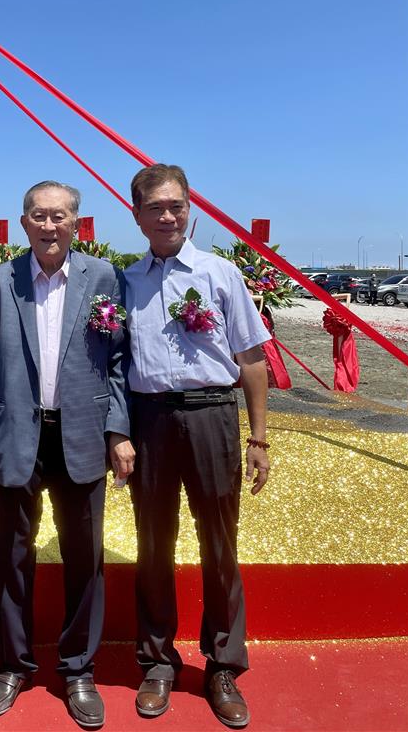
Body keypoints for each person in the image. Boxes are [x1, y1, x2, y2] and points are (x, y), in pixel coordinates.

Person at [0, 180, 135, 730]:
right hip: (16, 435)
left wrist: (118, 430)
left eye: (59, 216)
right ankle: (12, 664)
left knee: (85, 556)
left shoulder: (103, 278)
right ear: (24, 223)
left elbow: (117, 364)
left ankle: (78, 669)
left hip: (82, 435)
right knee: (12, 555)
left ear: (76, 222)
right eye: (38, 216)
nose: (49, 225)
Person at [121, 163, 272, 729]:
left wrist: (257, 437)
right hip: (149, 422)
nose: (167, 216)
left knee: (219, 543)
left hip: (211, 416)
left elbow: (251, 360)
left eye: (176, 206)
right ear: (136, 216)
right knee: (153, 545)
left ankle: (223, 665)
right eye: (155, 208)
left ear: (190, 210)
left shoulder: (220, 274)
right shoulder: (126, 281)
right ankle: (158, 661)